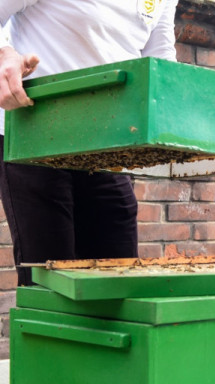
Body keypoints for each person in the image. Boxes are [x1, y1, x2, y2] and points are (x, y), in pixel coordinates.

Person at [0, 1, 177, 285]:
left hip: (107, 145)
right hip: (36, 136)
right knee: (51, 276)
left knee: (116, 275)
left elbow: (159, 56)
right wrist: (4, 54)